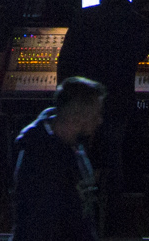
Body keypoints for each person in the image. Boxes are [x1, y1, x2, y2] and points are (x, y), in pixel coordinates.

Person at [56, 0, 149, 221]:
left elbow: (65, 62)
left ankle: (78, 214)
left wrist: (64, 100)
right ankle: (115, 217)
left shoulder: (83, 18)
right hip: (119, 102)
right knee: (114, 157)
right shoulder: (138, 22)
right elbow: (141, 54)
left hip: (83, 103)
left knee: (80, 155)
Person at [11, 76, 107, 241]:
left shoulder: (72, 144)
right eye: (95, 114)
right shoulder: (41, 160)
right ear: (77, 116)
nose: (100, 120)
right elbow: (40, 227)